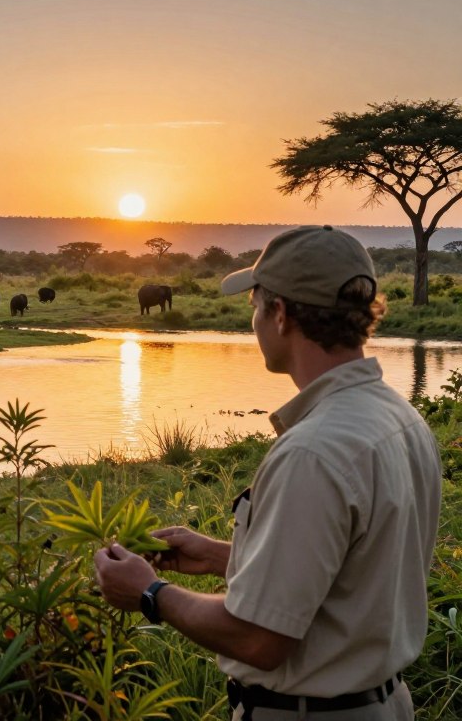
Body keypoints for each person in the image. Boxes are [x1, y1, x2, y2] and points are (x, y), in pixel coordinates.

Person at [94, 225, 442, 720]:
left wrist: (150, 593)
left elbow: (259, 639)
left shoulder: (313, 452)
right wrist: (222, 556)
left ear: (280, 314)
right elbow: (356, 572)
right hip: (384, 705)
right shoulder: (398, 417)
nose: (253, 320)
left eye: (254, 305)